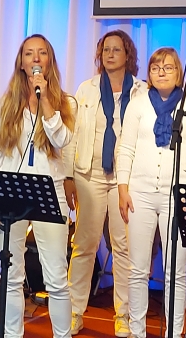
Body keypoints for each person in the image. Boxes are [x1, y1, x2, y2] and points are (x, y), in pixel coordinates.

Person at [0, 34, 77, 338]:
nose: (35, 58)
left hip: (49, 193)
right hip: (11, 193)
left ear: (49, 60)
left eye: (41, 53)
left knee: (56, 279)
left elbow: (61, 140)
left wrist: (45, 100)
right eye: (29, 53)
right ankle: (12, 334)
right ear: (21, 63)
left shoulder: (66, 102)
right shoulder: (7, 104)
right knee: (11, 276)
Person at [117, 48, 186, 338]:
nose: (162, 72)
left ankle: (174, 332)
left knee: (175, 271)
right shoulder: (138, 104)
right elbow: (126, 149)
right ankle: (137, 331)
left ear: (179, 72)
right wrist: (122, 188)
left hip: (177, 197)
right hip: (139, 194)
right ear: (149, 73)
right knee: (137, 269)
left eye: (168, 67)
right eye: (156, 68)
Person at [63, 29, 146, 337]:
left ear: (128, 55)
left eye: (117, 49)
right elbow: (72, 134)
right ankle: (74, 311)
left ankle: (123, 315)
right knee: (84, 243)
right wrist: (68, 175)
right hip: (89, 174)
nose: (110, 54)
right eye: (106, 49)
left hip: (125, 179)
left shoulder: (141, 91)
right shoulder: (86, 89)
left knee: (123, 246)